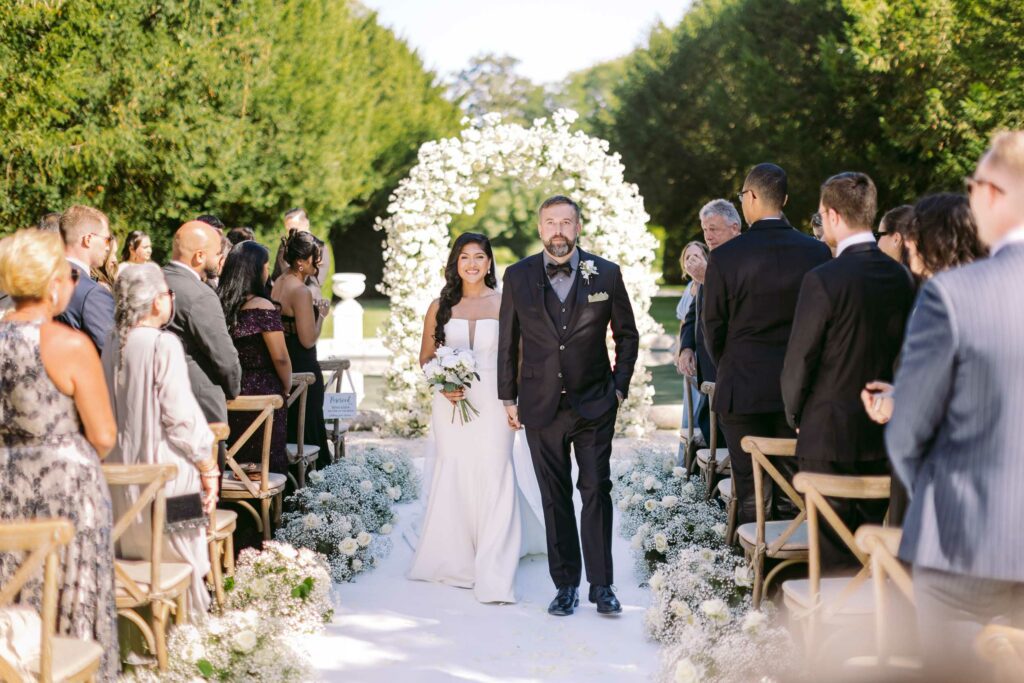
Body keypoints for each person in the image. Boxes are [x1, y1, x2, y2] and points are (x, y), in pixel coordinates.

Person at [881, 131, 1024, 682]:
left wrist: (944, 499)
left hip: (965, 546)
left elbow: (905, 432)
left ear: (990, 193)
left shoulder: (954, 295)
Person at [498, 195, 639, 617]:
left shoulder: (607, 274)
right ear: (540, 228)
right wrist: (509, 397)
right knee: (554, 496)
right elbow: (508, 342)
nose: (558, 231)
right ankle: (565, 586)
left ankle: (602, 585)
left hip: (594, 404)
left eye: (566, 222)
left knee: (596, 491)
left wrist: (618, 388)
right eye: (550, 223)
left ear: (578, 228)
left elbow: (627, 335)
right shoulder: (517, 276)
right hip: (539, 406)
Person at [0, 229, 119, 681]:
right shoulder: (68, 345)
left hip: (4, 487)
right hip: (67, 491)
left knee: (12, 600)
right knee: (72, 602)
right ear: (52, 282)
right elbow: (103, 433)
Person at [781, 172, 915, 570]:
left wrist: (795, 414)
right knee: (871, 552)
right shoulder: (901, 278)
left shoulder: (823, 279)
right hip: (883, 431)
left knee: (833, 554)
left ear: (833, 215)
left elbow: (800, 358)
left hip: (828, 432)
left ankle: (836, 630)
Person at [409, 232, 545, 603]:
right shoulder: (439, 306)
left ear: (489, 263)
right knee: (454, 470)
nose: (472, 264)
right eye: (465, 257)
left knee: (495, 472)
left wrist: (515, 402)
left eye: (479, 257)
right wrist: (441, 380)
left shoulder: (505, 302)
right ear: (455, 263)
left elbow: (519, 356)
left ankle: (495, 569)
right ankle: (455, 559)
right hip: (450, 402)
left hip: (495, 400)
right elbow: (425, 356)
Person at [702, 163, 832, 525]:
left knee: (750, 488)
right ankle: (788, 573)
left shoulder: (726, 257)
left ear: (753, 196)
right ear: (785, 200)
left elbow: (712, 326)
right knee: (793, 487)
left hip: (742, 387)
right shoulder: (817, 253)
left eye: (742, 196)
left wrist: (730, 362)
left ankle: (751, 574)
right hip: (800, 391)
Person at [101, 263, 218, 617]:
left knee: (133, 558)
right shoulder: (162, 344)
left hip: (120, 480)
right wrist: (208, 465)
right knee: (187, 555)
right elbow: (181, 417)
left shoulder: (111, 343)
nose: (170, 300)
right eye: (168, 293)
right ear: (156, 302)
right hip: (169, 481)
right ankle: (189, 628)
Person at [163, 221, 242, 455]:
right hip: (199, 407)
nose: (221, 259)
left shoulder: (153, 280)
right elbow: (226, 360)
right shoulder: (200, 295)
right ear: (199, 256)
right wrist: (233, 390)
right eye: (218, 253)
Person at [219, 241, 291, 474]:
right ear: (255, 270)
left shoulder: (221, 304)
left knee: (235, 457)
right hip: (263, 393)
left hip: (230, 391)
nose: (267, 271)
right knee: (265, 461)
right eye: (266, 266)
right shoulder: (262, 306)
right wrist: (286, 384)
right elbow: (280, 357)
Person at [677, 199, 741, 455]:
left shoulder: (742, 259)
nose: (708, 235)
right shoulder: (713, 261)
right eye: (705, 229)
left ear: (735, 227)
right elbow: (693, 313)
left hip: (730, 371)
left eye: (713, 228)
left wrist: (708, 278)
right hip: (706, 372)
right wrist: (686, 347)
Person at [271, 230, 330, 468]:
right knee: (309, 428)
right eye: (315, 258)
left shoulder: (279, 283)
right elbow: (308, 340)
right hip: (303, 365)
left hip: (284, 360)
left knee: (291, 427)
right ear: (300, 261)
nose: (320, 262)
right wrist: (321, 316)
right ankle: (314, 483)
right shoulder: (300, 291)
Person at [55, 205, 116, 351]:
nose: (108, 248)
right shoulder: (92, 293)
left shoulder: (42, 278)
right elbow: (112, 353)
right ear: (88, 239)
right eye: (107, 240)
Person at [675, 240, 706, 436]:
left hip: (703, 357)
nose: (692, 260)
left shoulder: (709, 284)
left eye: (697, 256)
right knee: (689, 408)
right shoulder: (688, 289)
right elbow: (683, 324)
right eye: (688, 257)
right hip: (689, 361)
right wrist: (681, 351)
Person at [271, 208, 331, 295]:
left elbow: (316, 283)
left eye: (292, 229)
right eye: (287, 229)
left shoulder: (320, 248)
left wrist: (298, 296)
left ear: (306, 224)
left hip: (309, 300)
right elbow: (276, 275)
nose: (290, 234)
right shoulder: (284, 246)